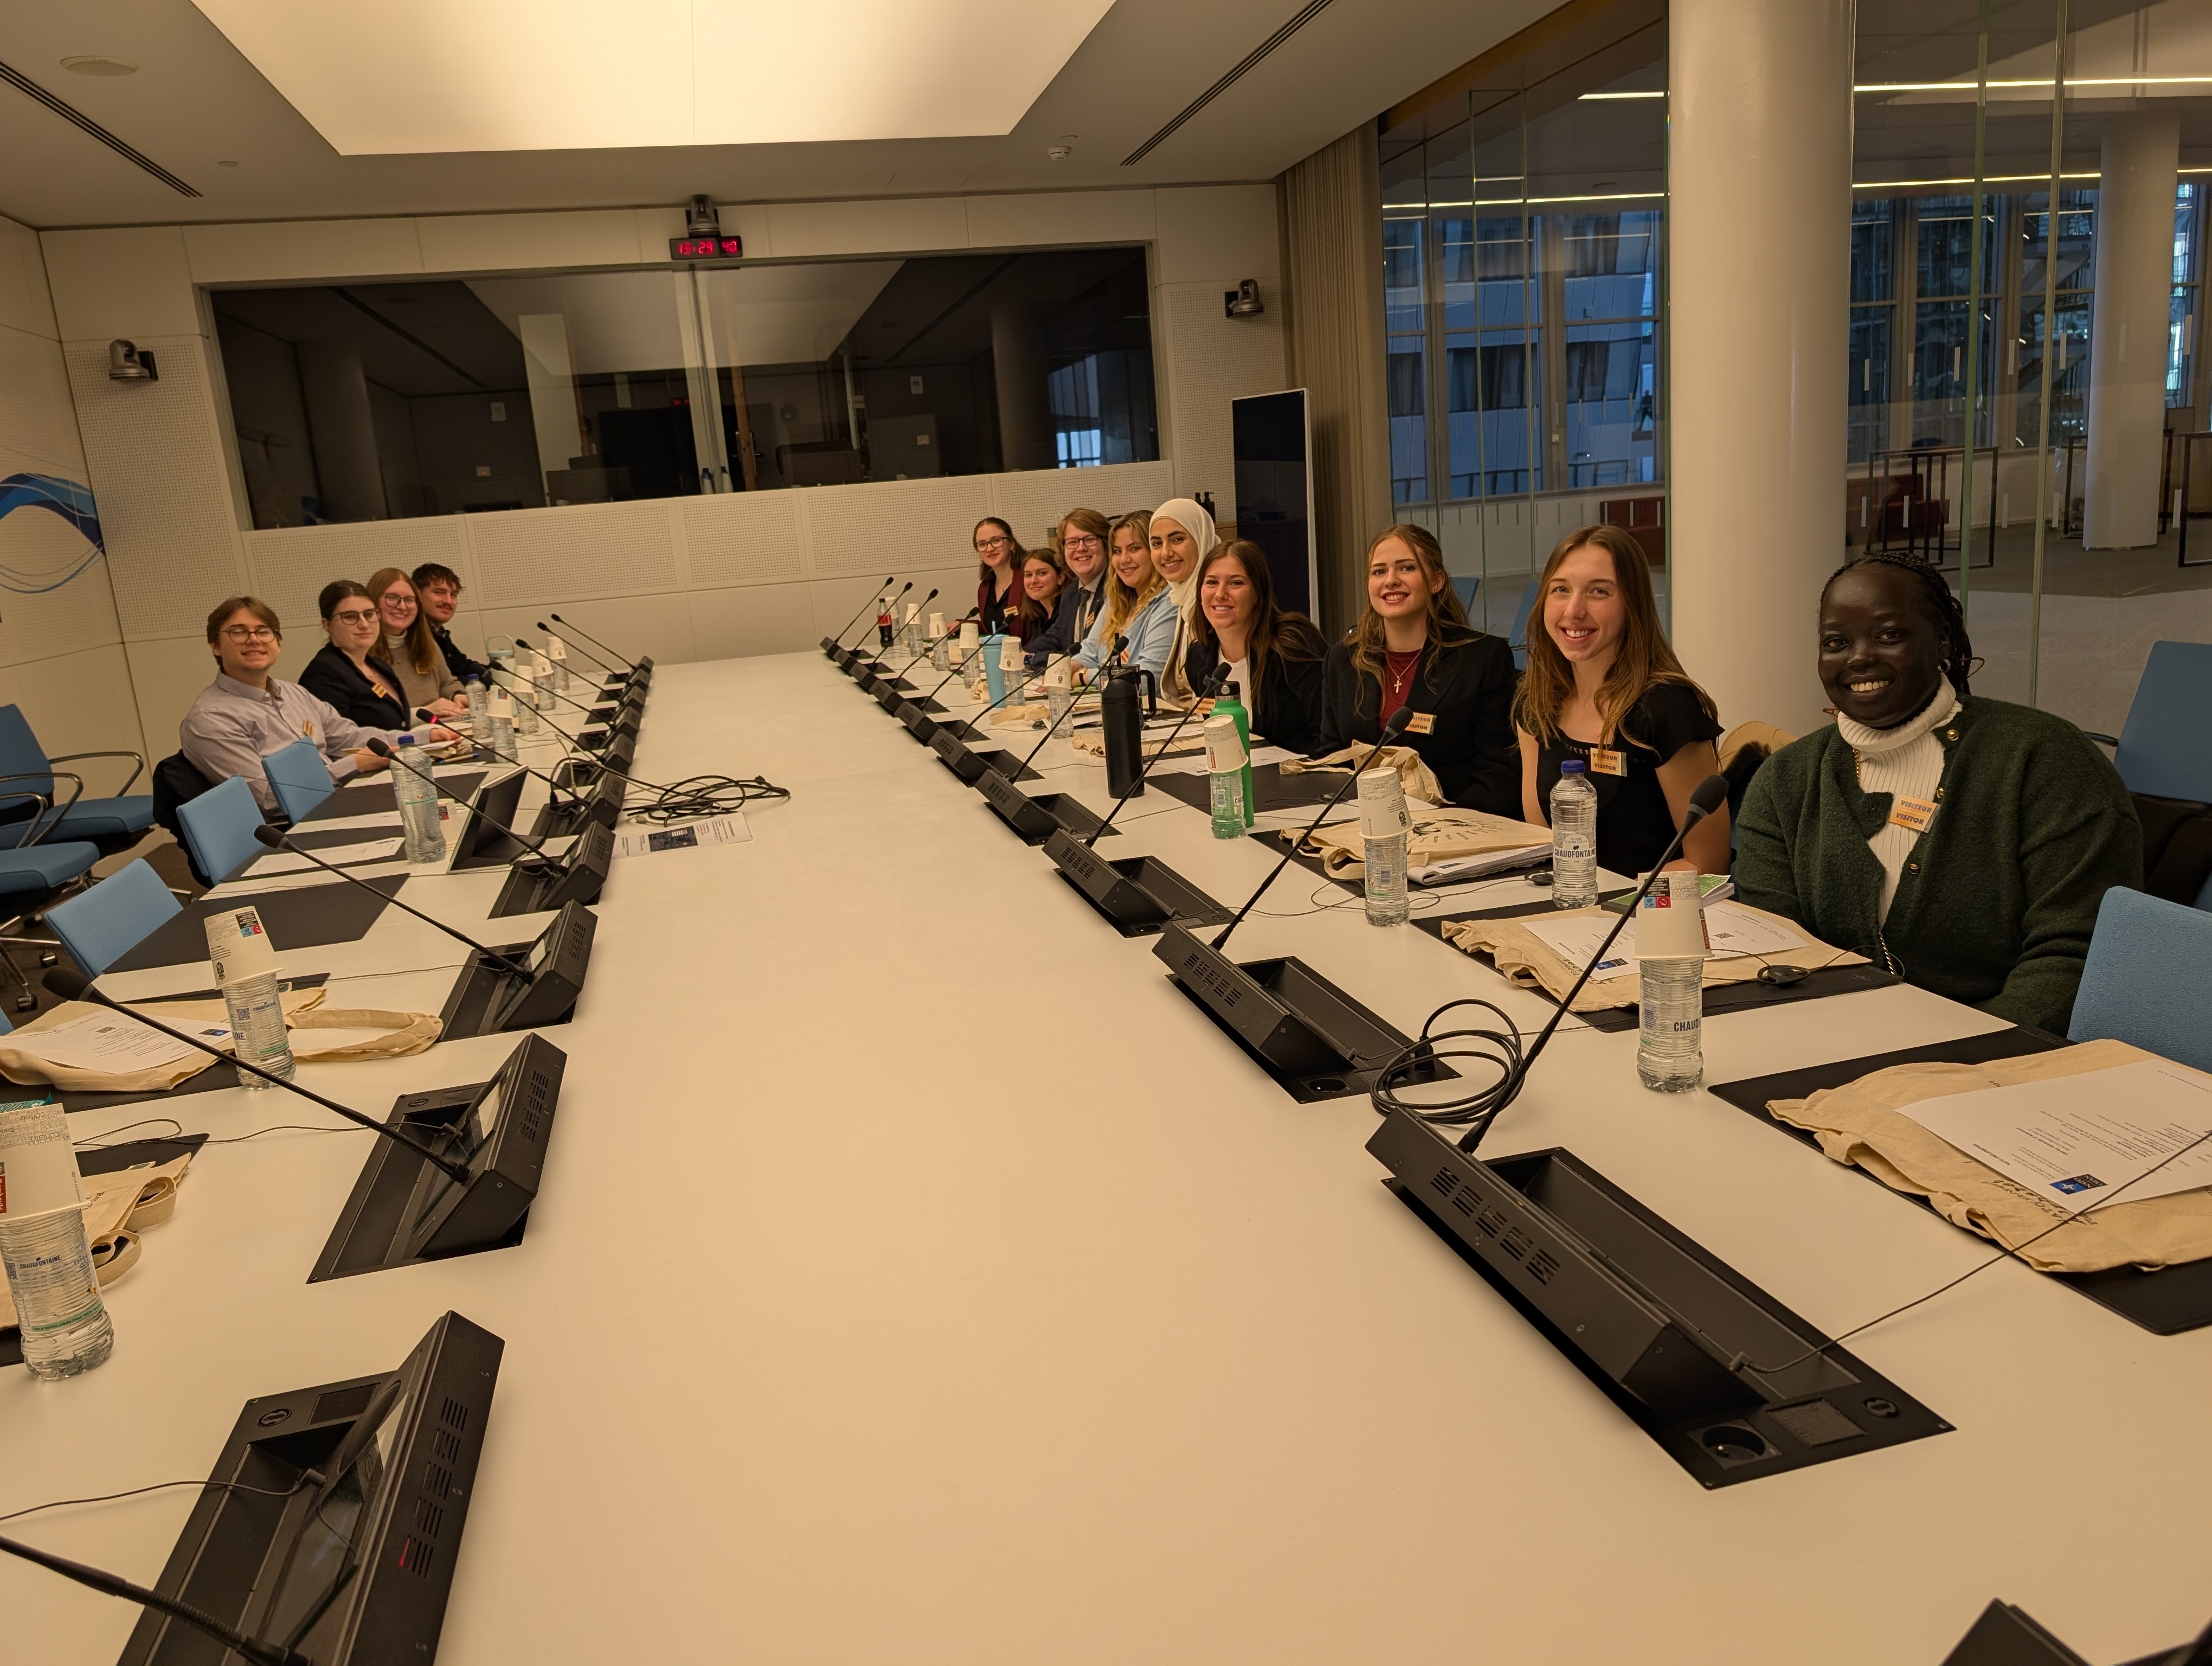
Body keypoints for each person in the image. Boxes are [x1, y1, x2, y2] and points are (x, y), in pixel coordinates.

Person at [1735, 553, 2140, 1033]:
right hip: (1829, 1041)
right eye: (1836, 642)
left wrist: (1957, 1061)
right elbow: (1780, 948)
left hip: (2000, 1059)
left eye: (1889, 635)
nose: (1860, 656)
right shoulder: (1786, 779)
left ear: (1942, 641)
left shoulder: (2044, 760)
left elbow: (2076, 952)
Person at [1515, 524, 1729, 876]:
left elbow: (1707, 865)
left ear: (1632, 605)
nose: (1573, 610)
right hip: (1568, 908)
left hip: (1646, 916)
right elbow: (1543, 842)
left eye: (1599, 592)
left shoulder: (1667, 709)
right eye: (1560, 590)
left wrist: (1614, 910)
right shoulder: (1536, 701)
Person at [178, 597, 447, 815]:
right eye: (238, 633)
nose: (254, 640)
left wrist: (424, 736)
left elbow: (350, 737)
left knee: (438, 803)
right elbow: (268, 797)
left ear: (278, 642)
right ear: (215, 645)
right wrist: (356, 764)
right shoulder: (212, 718)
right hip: (297, 829)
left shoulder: (295, 693)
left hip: (337, 803)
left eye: (264, 631)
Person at [1317, 524, 1518, 815]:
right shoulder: (1342, 660)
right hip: (1361, 826)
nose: (1391, 581)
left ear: (1437, 581)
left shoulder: (1483, 658)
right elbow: (1331, 760)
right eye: (1379, 572)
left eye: (1407, 568)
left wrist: (1444, 826)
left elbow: (1499, 774)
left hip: (1454, 828)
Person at [1182, 540, 1327, 753]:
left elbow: (1328, 739)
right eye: (1212, 582)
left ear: (1258, 594)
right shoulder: (1199, 657)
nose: (1220, 594)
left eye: (1236, 583)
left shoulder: (1293, 646)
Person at [1075, 510, 1177, 685]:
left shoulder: (1169, 602)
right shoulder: (1116, 601)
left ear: (1155, 551)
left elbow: (1147, 678)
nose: (1124, 560)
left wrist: (1085, 677)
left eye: (1134, 549)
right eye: (1117, 551)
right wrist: (1065, 670)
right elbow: (1089, 653)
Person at [299, 580, 411, 729]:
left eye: (369, 614)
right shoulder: (323, 675)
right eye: (350, 617)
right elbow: (339, 742)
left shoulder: (378, 665)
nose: (364, 624)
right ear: (328, 625)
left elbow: (399, 723)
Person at [368, 567, 465, 719]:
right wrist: (424, 712)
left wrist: (457, 696)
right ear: (373, 602)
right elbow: (370, 717)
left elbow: (447, 683)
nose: (402, 606)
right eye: (392, 598)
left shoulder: (426, 643)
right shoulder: (363, 653)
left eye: (409, 600)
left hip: (440, 731)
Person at [1147, 497, 1218, 706]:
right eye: (1157, 544)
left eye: (1177, 539)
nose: (1166, 553)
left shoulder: (1216, 601)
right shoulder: (1182, 596)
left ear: (1201, 538)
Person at [1025, 509, 1111, 665]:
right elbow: (1056, 636)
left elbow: (1091, 654)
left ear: (1106, 544)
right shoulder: (1071, 593)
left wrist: (1032, 659)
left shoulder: (1117, 591)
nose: (1081, 548)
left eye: (1090, 540)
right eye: (1072, 542)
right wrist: (1021, 654)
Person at [411, 562, 486, 682]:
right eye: (439, 592)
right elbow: (439, 682)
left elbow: (463, 667)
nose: (448, 601)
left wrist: (495, 674)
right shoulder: (413, 636)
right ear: (417, 596)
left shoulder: (439, 633)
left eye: (453, 595)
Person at [973, 518, 1026, 636]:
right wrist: (964, 625)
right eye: (982, 544)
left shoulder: (1029, 580)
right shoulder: (985, 588)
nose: (990, 549)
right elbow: (996, 626)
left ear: (1012, 544)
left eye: (996, 541)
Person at [1013, 546, 1068, 645]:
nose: (1034, 581)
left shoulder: (1068, 611)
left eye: (1042, 573)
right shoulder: (1038, 615)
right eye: (1028, 575)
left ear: (1060, 578)